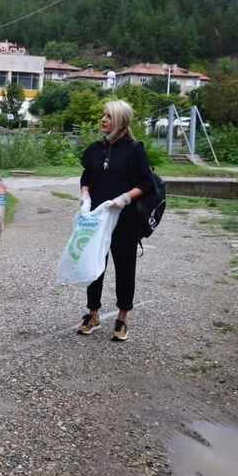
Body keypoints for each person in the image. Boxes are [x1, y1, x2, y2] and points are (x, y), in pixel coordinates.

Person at [77, 99, 153, 341]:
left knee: (125, 267)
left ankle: (122, 317)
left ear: (120, 120)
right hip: (97, 217)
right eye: (103, 115)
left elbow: (146, 183)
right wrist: (85, 193)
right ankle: (93, 314)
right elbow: (87, 175)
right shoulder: (95, 149)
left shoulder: (134, 149)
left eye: (108, 116)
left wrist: (124, 198)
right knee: (94, 265)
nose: (103, 119)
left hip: (124, 218)